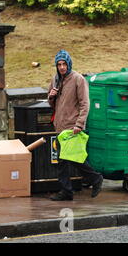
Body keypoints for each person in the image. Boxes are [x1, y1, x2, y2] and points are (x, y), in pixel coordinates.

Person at [48, 49, 103, 201]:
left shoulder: (78, 79)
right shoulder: (55, 79)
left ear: (69, 64)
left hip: (72, 126)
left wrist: (79, 124)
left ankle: (93, 179)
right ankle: (74, 188)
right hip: (60, 127)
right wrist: (51, 97)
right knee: (66, 160)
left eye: (64, 64)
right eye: (59, 64)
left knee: (70, 159)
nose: (61, 67)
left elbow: (85, 104)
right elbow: (52, 104)